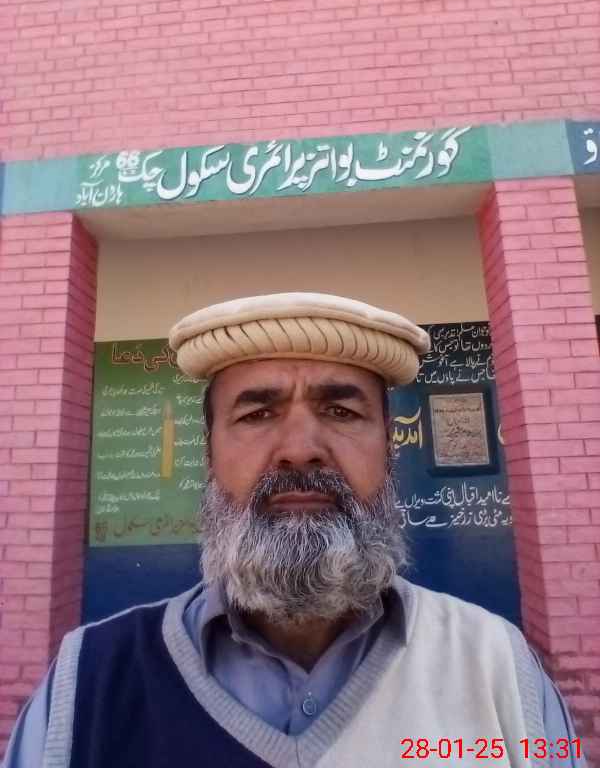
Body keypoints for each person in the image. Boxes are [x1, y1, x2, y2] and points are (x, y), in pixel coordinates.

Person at [3, 292, 587, 768]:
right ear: (209, 456)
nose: (301, 449)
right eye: (257, 414)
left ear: (389, 449)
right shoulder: (86, 682)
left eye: (341, 412)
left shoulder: (498, 667)